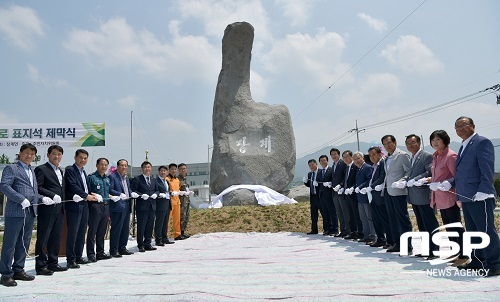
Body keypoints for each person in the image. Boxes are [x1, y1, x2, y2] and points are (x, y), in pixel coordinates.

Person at [449, 117, 500, 276]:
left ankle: (495, 264)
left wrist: (484, 189)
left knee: (486, 231)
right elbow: (462, 174)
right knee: (473, 231)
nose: (460, 129)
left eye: (463, 125)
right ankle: (478, 261)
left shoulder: (481, 142)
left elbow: (487, 169)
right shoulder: (464, 146)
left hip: (480, 196)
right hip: (467, 197)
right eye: (457, 127)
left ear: (472, 126)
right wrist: (450, 184)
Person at [0, 143, 41, 287]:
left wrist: (42, 198)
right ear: (20, 153)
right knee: (10, 243)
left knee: (24, 243)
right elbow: (4, 186)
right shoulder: (12, 168)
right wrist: (20, 199)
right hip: (16, 211)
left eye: (32, 154)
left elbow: (33, 192)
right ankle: (5, 274)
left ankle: (18, 269)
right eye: (26, 153)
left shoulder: (32, 170)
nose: (29, 156)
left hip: (30, 212)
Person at [426, 130, 468, 265]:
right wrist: (430, 180)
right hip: (440, 197)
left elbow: (457, 176)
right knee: (449, 227)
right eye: (433, 140)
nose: (435, 142)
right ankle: (455, 253)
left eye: (438, 139)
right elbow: (438, 176)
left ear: (445, 140)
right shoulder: (436, 156)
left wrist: (446, 183)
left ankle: (464, 254)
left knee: (456, 227)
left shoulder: (450, 156)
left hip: (450, 196)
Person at [403, 134, 439, 260]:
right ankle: (426, 249)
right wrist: (406, 181)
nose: (410, 145)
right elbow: (410, 173)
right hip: (414, 196)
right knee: (422, 224)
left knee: (430, 223)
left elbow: (429, 172)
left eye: (413, 142)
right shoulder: (412, 157)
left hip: (424, 195)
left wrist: (416, 179)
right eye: (408, 143)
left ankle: (434, 250)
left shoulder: (426, 156)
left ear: (419, 142)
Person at [33, 145, 68, 276]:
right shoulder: (41, 169)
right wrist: (51, 195)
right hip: (47, 209)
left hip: (60, 209)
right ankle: (41, 266)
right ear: (48, 155)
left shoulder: (61, 170)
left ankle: (53, 262)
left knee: (55, 237)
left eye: (59, 154)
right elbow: (38, 187)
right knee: (43, 238)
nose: (56, 156)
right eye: (54, 154)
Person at [64, 149, 98, 269]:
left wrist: (91, 194)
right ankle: (71, 259)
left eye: (85, 158)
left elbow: (84, 188)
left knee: (81, 232)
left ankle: (78, 256)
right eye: (80, 157)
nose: (83, 160)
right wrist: (86, 196)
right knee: (73, 232)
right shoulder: (70, 170)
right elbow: (73, 186)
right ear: (75, 157)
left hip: (84, 206)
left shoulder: (83, 172)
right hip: (74, 205)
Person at [381, 135, 412, 253]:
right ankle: (397, 243)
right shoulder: (386, 158)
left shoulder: (402, 155)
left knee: (402, 219)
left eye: (389, 143)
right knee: (392, 218)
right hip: (388, 191)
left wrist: (402, 181)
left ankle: (407, 246)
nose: (387, 146)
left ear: (395, 142)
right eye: (385, 144)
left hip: (399, 191)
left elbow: (409, 172)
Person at [364, 146, 392, 248]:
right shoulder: (373, 166)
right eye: (370, 155)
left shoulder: (382, 164)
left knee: (385, 219)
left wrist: (371, 186)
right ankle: (380, 239)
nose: (371, 157)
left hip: (380, 196)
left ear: (379, 154)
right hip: (372, 196)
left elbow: (382, 177)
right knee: (376, 219)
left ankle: (390, 240)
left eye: (373, 154)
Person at [86, 158, 112, 262]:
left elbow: (107, 192)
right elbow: (87, 191)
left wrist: (112, 196)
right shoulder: (91, 177)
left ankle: (100, 252)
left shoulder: (107, 178)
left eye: (106, 165)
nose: (103, 167)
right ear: (97, 165)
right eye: (101, 164)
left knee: (102, 231)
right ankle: (91, 254)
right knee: (92, 231)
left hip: (105, 206)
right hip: (95, 206)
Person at [130, 161, 159, 252]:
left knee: (150, 226)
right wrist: (141, 195)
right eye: (145, 167)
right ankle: (140, 245)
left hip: (152, 206)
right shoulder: (137, 179)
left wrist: (156, 194)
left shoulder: (154, 180)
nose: (147, 169)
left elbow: (157, 190)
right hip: (142, 206)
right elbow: (133, 190)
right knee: (141, 226)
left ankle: (148, 243)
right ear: (142, 169)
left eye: (149, 167)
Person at [108, 159, 134, 257]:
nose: (124, 167)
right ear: (118, 167)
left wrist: (132, 193)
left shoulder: (126, 178)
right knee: (116, 228)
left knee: (125, 228)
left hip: (127, 204)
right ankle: (114, 250)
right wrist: (119, 194)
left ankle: (122, 247)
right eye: (122, 165)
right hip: (118, 205)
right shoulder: (112, 177)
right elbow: (109, 189)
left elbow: (128, 189)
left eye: (125, 165)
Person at [352, 151, 376, 243]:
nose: (357, 161)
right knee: (363, 218)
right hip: (360, 197)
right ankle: (366, 235)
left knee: (369, 217)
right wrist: (354, 188)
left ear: (363, 158)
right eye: (355, 159)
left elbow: (369, 180)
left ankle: (373, 235)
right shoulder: (359, 169)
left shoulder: (367, 167)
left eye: (358, 158)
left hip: (366, 197)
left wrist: (360, 187)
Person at [341, 150, 362, 240]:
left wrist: (352, 188)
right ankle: (353, 232)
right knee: (350, 215)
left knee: (356, 215)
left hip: (353, 194)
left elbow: (356, 180)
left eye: (347, 157)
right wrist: (342, 186)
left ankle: (359, 233)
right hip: (347, 194)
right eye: (344, 157)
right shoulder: (347, 167)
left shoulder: (355, 166)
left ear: (351, 157)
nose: (346, 159)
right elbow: (346, 180)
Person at [316, 155, 337, 236]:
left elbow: (334, 180)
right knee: (325, 213)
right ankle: (328, 229)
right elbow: (318, 182)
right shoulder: (320, 172)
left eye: (324, 160)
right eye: (321, 161)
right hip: (322, 195)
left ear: (327, 161)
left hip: (329, 194)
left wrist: (330, 183)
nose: (323, 162)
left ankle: (335, 229)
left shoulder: (331, 170)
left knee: (332, 213)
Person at [329, 148, 348, 237]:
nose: (334, 156)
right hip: (334, 193)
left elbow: (345, 177)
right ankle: (343, 230)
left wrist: (341, 185)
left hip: (341, 192)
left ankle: (348, 230)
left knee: (345, 212)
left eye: (335, 154)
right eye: (332, 154)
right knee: (339, 213)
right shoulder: (333, 165)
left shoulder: (343, 163)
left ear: (338, 155)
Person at [155, 166, 174, 246]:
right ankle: (158, 239)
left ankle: (164, 238)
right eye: (161, 171)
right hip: (160, 204)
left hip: (167, 204)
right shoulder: (156, 181)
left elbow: (167, 191)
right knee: (159, 223)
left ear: (167, 172)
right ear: (159, 172)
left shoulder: (166, 181)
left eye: (164, 171)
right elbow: (155, 191)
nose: (163, 172)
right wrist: (159, 194)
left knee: (165, 223)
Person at [303, 159, 321, 234]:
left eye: (313, 164)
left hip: (320, 196)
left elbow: (321, 183)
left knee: (324, 213)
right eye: (310, 165)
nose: (311, 166)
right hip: (313, 197)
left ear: (316, 164)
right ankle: (314, 229)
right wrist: (305, 182)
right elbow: (309, 185)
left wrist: (318, 184)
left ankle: (327, 229)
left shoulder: (320, 172)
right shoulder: (310, 174)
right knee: (313, 214)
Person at [166, 163, 182, 240]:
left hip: (177, 202)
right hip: (169, 202)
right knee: (167, 220)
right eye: (172, 169)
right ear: (169, 170)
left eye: (175, 169)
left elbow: (179, 189)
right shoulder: (167, 179)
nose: (173, 170)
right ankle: (164, 235)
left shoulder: (177, 179)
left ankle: (177, 234)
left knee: (177, 220)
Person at [178, 163, 191, 239]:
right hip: (181, 201)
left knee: (186, 216)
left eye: (184, 169)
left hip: (187, 200)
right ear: (179, 170)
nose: (183, 170)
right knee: (181, 216)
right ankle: (179, 233)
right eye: (181, 169)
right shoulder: (178, 179)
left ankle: (183, 231)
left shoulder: (185, 178)